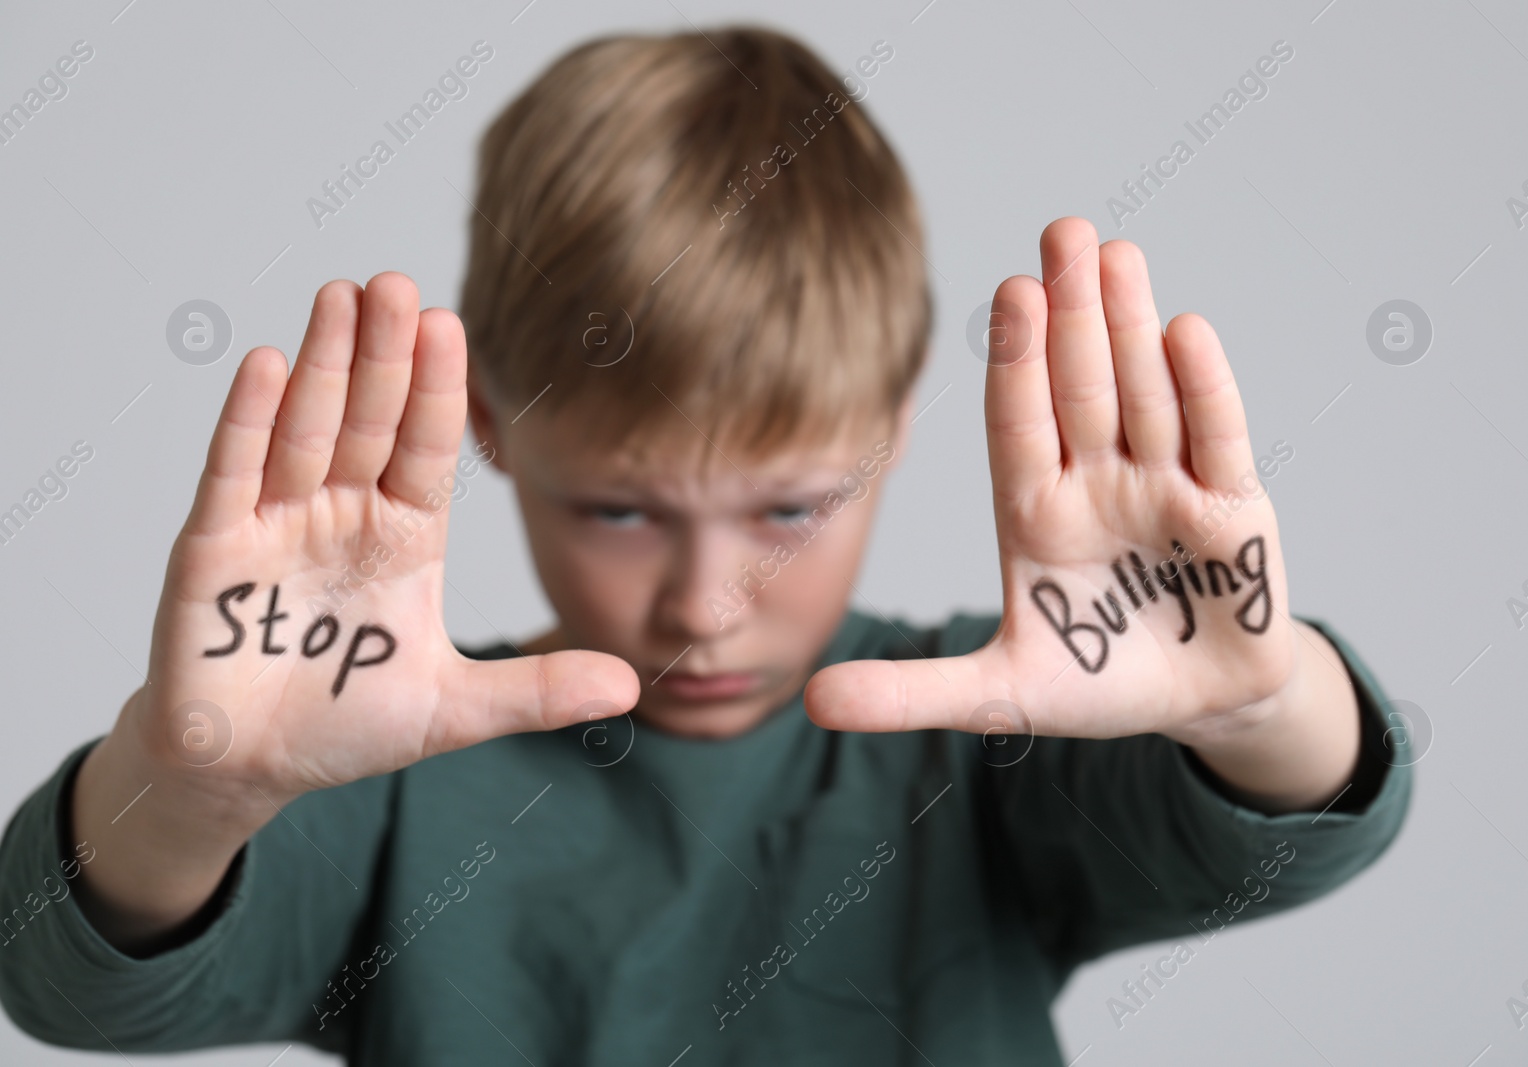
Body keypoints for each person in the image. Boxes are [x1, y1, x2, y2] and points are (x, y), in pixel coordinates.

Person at [0, 24, 1410, 1066]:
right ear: (491, 424)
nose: (704, 608)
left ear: (891, 422)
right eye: (620, 510)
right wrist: (183, 791)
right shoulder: (377, 770)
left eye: (791, 508)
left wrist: (1266, 699)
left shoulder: (983, 745)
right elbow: (67, 984)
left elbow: (1291, 839)